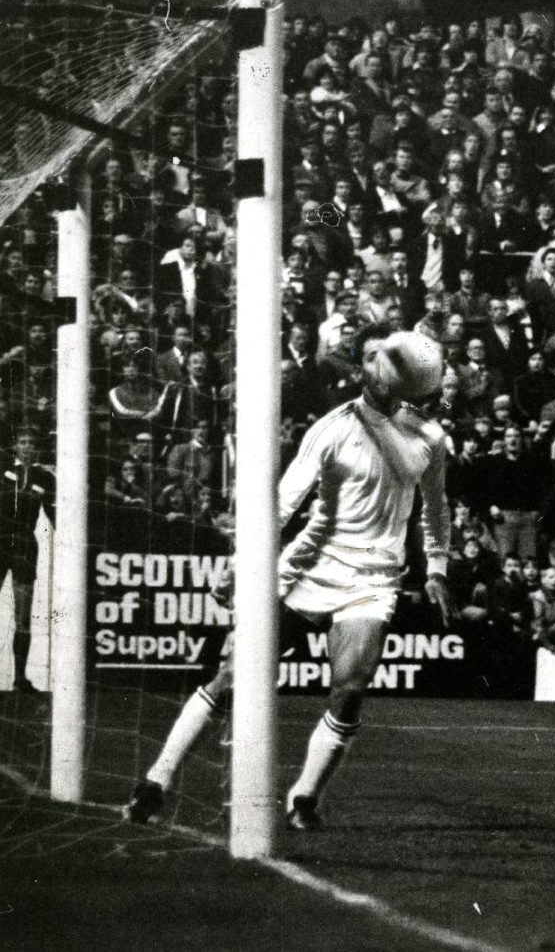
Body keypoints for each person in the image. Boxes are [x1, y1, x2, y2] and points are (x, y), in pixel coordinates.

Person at [124, 327, 453, 828]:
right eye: (370, 363)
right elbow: (280, 506)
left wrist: (437, 566)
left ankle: (304, 797)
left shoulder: (430, 439)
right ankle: (157, 779)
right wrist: (240, 567)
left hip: (374, 579)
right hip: (308, 569)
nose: (375, 373)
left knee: (350, 688)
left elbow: (436, 508)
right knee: (233, 676)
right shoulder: (331, 428)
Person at [1, 427, 54, 692]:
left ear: (37, 448)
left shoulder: (45, 476)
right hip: (0, 541)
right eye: (22, 441)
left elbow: (54, 515)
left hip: (24, 545)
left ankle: (19, 678)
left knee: (22, 617)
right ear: (15, 447)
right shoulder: (3, 470)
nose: (27, 446)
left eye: (32, 442)